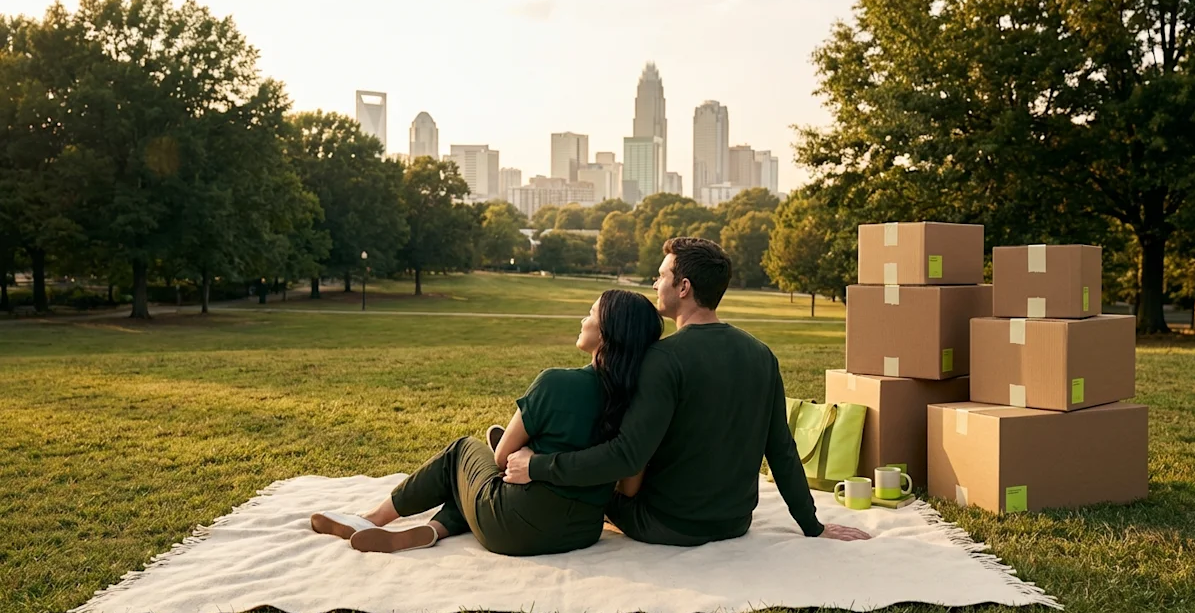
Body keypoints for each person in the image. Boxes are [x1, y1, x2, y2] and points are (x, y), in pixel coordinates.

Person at [504, 237, 871, 543]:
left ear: (683, 287)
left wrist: (539, 466)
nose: (654, 283)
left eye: (662, 275)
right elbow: (781, 448)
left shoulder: (662, 359)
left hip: (665, 523)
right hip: (734, 523)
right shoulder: (762, 354)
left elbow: (627, 457)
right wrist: (812, 525)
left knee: (586, 486)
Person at [310, 289, 663, 556]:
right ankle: (435, 529)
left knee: (463, 453)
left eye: (590, 314)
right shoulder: (638, 406)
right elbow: (628, 488)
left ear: (606, 333)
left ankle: (373, 519)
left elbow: (500, 460)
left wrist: (524, 456)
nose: (583, 320)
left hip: (510, 529)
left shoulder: (556, 383)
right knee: (478, 484)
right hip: (581, 533)